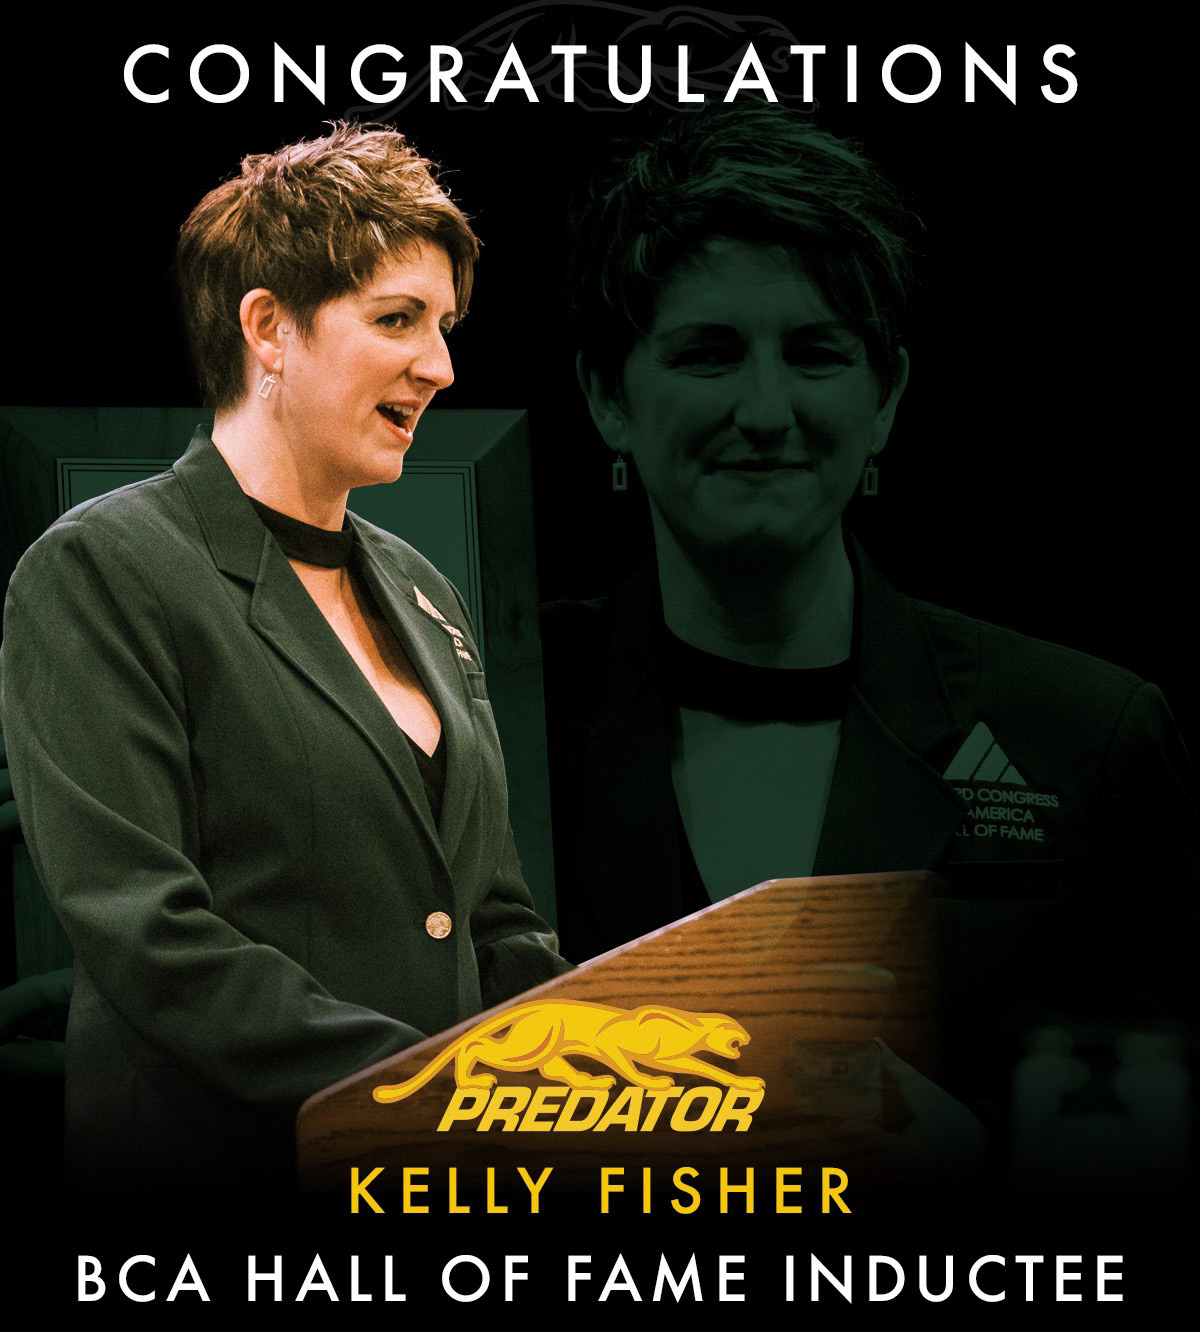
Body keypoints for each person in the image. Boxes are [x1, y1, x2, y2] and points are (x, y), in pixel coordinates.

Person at [543, 105, 1196, 1124]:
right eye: (709, 354)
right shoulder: (492, 714)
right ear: (607, 398)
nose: (766, 412)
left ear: (885, 397)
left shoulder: (1085, 734)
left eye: (816, 353)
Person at [0, 121, 569, 1191]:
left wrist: (608, 1070)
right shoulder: (100, 568)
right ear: (268, 326)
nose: (441, 366)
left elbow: (495, 920)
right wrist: (428, 1090)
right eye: (397, 319)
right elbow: (150, 935)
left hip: (436, 1184)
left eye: (445, 326)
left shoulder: (423, 589)